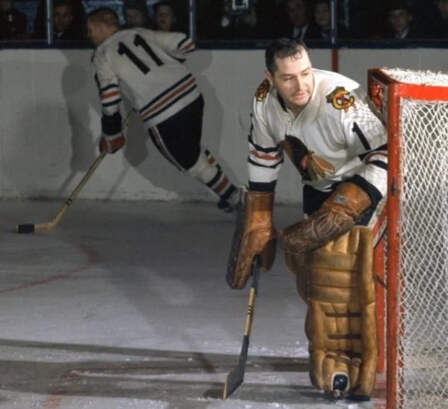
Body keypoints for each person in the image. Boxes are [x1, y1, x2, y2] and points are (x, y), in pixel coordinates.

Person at [227, 38, 387, 400]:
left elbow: (389, 152)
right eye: (288, 78)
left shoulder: (341, 100)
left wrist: (348, 204)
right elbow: (264, 155)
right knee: (312, 280)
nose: (300, 85)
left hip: (361, 183)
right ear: (270, 78)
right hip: (317, 187)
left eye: (305, 73)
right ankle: (338, 348)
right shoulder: (264, 101)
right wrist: (259, 218)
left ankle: (347, 362)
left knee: (338, 275)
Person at [86, 7, 241, 211]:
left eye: (90, 30)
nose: (88, 35)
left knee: (190, 163)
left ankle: (236, 199)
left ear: (101, 27)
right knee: (194, 150)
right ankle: (227, 190)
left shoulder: (102, 55)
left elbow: (109, 99)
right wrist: (166, 68)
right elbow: (185, 43)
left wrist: (112, 134)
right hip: (191, 95)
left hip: (164, 113)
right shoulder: (137, 32)